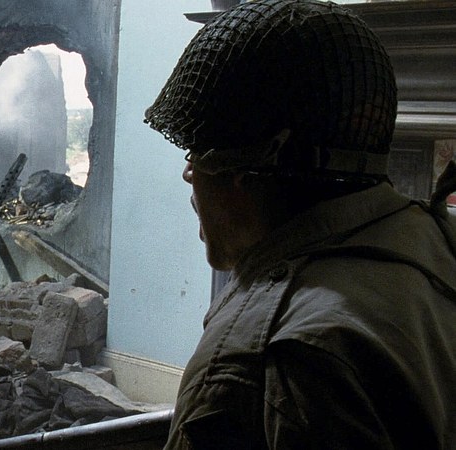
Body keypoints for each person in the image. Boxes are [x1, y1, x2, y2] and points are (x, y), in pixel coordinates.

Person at [144, 1, 456, 449]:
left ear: (243, 170)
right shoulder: (439, 237)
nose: (188, 173)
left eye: (196, 153)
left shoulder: (259, 361)